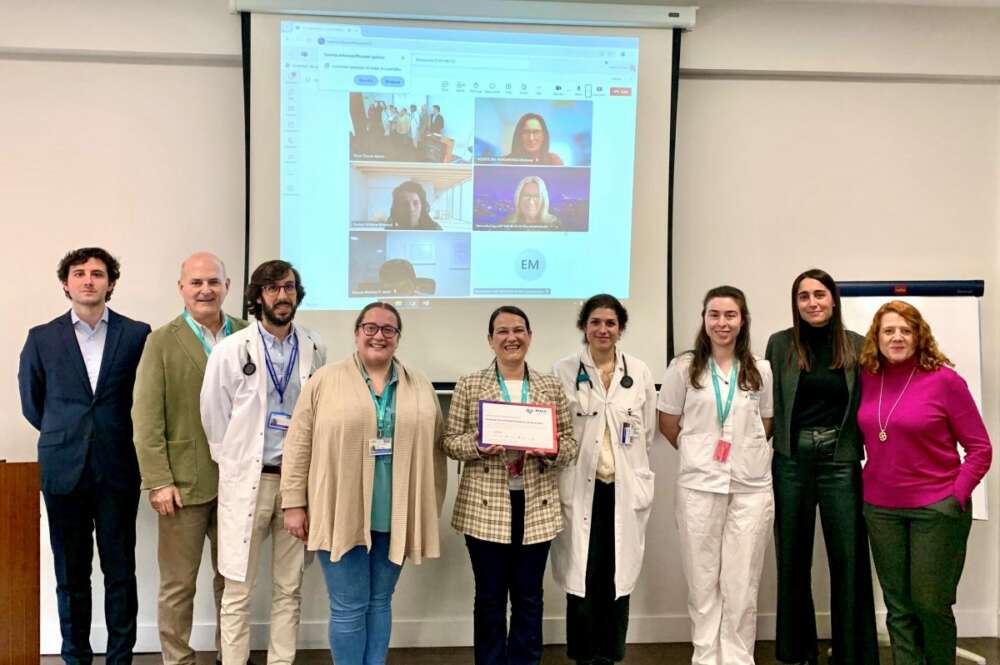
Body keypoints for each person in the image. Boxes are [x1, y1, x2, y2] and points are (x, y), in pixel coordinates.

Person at [281, 302, 447, 665]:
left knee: (379, 602)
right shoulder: (325, 380)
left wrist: (428, 505)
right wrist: (294, 502)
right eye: (370, 327)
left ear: (398, 338)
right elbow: (298, 443)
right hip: (341, 508)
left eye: (389, 329)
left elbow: (435, 449)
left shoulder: (418, 384)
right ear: (356, 333)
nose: (379, 335)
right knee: (347, 606)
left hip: (395, 512)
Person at [18, 247, 151, 665]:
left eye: (97, 273)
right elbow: (32, 402)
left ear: (111, 283)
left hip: (118, 466)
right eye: (79, 273)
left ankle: (120, 658)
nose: (88, 280)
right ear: (66, 283)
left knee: (120, 573)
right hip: (63, 469)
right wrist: (68, 435)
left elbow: (146, 399)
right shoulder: (42, 337)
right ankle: (75, 657)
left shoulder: (138, 334)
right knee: (71, 575)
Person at [200, 260, 326, 665]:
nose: (282, 295)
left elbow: (318, 415)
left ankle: (281, 661)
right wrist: (236, 463)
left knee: (289, 587)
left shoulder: (315, 347)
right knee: (237, 588)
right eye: (272, 288)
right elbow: (214, 420)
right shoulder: (230, 350)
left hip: (296, 487)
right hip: (247, 481)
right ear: (257, 296)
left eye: (288, 287)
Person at [857, 301, 991, 665]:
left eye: (906, 330)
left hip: (936, 510)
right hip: (881, 511)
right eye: (889, 330)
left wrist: (955, 496)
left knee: (930, 605)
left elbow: (980, 448)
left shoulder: (945, 380)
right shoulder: (866, 377)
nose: (897, 337)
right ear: (877, 337)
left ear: (919, 336)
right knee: (897, 607)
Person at [444, 305, 578, 665]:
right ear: (490, 340)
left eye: (518, 330)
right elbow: (449, 441)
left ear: (530, 337)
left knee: (529, 596)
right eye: (502, 331)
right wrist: (478, 444)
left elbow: (569, 445)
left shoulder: (550, 385)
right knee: (489, 596)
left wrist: (550, 449)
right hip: (484, 508)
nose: (511, 338)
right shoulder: (470, 384)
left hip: (536, 507)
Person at [132, 252, 247, 665]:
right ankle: (177, 659)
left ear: (227, 287)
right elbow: (146, 417)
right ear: (181, 288)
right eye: (196, 282)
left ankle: (230, 655)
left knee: (233, 582)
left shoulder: (249, 334)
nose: (205, 290)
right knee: (178, 585)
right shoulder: (161, 341)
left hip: (240, 483)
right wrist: (158, 480)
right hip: (182, 485)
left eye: (213, 282)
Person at [765, 268, 879, 665]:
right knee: (792, 557)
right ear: (795, 303)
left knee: (849, 558)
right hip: (792, 460)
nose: (812, 302)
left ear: (833, 299)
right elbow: (767, 403)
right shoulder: (779, 345)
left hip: (841, 460)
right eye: (803, 296)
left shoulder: (858, 345)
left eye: (819, 294)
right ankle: (799, 652)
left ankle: (852, 653)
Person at [657, 286, 774, 665]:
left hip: (751, 487)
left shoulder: (761, 368)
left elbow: (767, 421)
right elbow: (668, 422)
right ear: (704, 320)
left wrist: (741, 451)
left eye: (730, 315)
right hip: (698, 486)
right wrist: (699, 452)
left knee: (742, 583)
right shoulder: (682, 367)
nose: (722, 323)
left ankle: (739, 658)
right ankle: (706, 656)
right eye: (714, 315)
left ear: (742, 321)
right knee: (703, 579)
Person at [551, 294, 657, 665]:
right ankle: (582, 653)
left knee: (616, 576)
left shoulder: (639, 371)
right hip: (581, 489)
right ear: (584, 327)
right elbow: (557, 430)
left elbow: (647, 432)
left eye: (610, 323)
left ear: (621, 328)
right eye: (595, 322)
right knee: (582, 572)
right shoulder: (563, 371)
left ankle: (610, 654)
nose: (603, 329)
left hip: (622, 489)